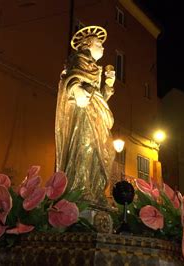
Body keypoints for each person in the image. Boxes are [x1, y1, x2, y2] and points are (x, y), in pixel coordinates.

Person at [55, 25, 116, 204]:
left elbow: (99, 99)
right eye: (99, 43)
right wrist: (76, 88)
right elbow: (69, 78)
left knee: (100, 154)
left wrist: (108, 85)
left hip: (95, 116)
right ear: (87, 45)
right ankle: (80, 192)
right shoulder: (78, 59)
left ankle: (94, 190)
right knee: (85, 149)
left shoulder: (95, 68)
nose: (103, 47)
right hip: (83, 118)